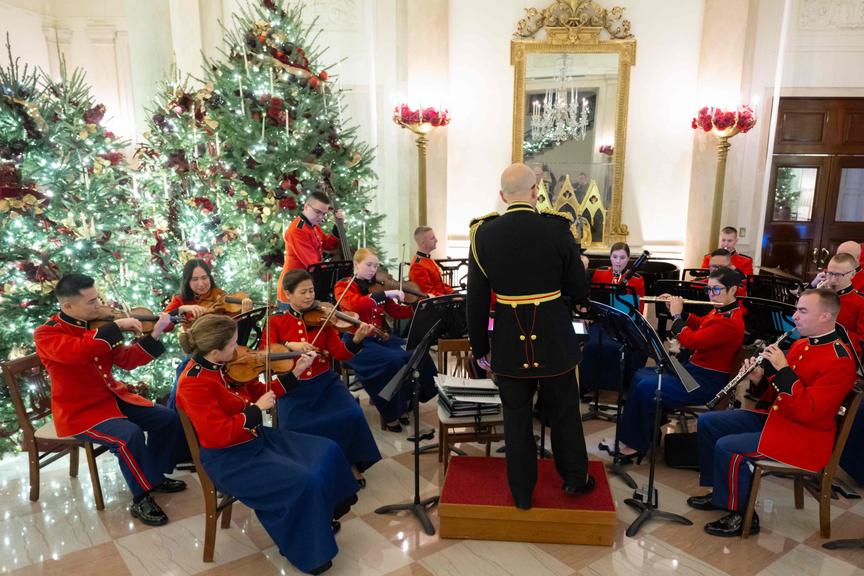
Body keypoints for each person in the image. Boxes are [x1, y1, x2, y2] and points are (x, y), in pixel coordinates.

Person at [176, 314, 357, 574]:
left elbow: (261, 393)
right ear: (215, 351)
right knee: (302, 480)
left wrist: (296, 371)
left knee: (327, 449)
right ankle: (308, 550)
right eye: (233, 344)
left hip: (256, 439)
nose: (239, 349)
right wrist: (255, 411)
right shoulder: (193, 384)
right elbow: (218, 434)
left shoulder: (225, 365)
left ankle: (320, 516)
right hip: (230, 459)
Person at [467, 162, 593, 510]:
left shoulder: (482, 233)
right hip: (555, 338)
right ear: (536, 191)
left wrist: (480, 346)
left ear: (502, 195)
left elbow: (476, 298)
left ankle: (521, 492)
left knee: (516, 419)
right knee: (565, 412)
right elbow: (577, 289)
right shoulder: (557, 227)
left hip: (508, 341)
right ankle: (574, 478)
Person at [688, 289, 857, 537]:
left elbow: (808, 412)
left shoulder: (840, 360)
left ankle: (742, 515)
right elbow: (777, 396)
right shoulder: (801, 344)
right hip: (780, 419)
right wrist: (759, 379)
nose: (794, 316)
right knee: (708, 422)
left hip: (804, 437)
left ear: (825, 316)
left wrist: (783, 369)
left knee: (728, 447)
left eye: (802, 311)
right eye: (797, 309)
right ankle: (721, 494)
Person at [34, 273, 186, 526]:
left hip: (112, 398)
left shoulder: (97, 326)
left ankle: (154, 476)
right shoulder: (47, 334)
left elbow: (126, 360)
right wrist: (116, 327)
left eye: (98, 298)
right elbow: (78, 352)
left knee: (167, 418)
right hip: (79, 412)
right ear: (68, 306)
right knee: (128, 435)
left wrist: (156, 333)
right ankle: (141, 498)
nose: (100, 305)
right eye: (92, 302)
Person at [608, 267, 745, 459]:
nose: (711, 294)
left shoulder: (729, 321)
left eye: (716, 289)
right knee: (640, 375)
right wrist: (677, 310)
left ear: (733, 290)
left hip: (704, 382)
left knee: (647, 387)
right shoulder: (721, 310)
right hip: (693, 372)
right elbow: (700, 324)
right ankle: (643, 433)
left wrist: (677, 316)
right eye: (709, 289)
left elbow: (692, 341)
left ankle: (635, 444)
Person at [261, 269, 382, 485]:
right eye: (303, 292)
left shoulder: (322, 319)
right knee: (296, 426)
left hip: (326, 383)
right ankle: (312, 471)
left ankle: (350, 462)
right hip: (292, 387)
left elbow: (340, 353)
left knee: (351, 414)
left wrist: (356, 339)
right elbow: (265, 354)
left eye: (311, 291)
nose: (309, 296)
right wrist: (289, 345)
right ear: (288, 294)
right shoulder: (276, 321)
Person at [334, 248, 438, 432]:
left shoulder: (377, 287)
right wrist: (386, 294)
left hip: (381, 338)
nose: (373, 270)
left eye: (375, 266)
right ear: (356, 264)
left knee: (418, 351)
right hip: (357, 341)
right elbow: (354, 304)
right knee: (393, 361)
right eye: (368, 265)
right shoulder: (344, 286)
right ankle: (391, 413)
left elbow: (396, 311)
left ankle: (406, 401)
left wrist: (420, 305)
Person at [162, 258, 252, 410]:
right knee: (181, 380)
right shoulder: (181, 300)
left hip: (221, 354)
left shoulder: (220, 297)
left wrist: (245, 315)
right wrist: (182, 310)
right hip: (196, 355)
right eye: (195, 279)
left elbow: (234, 331)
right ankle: (177, 416)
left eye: (204, 278)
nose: (201, 283)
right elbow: (163, 324)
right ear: (187, 281)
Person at [580, 242, 647, 400]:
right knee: (592, 345)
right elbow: (590, 296)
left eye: (622, 258)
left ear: (628, 259)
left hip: (624, 323)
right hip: (602, 321)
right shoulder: (600, 273)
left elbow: (639, 307)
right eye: (615, 257)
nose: (618, 261)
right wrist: (585, 310)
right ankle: (592, 386)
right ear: (610, 257)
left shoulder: (636, 279)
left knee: (626, 348)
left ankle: (624, 388)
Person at [277, 191, 345, 303]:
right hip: (294, 291)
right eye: (317, 212)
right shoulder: (297, 230)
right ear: (306, 207)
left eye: (324, 214)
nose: (321, 217)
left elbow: (327, 245)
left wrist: (337, 227)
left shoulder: (313, 225)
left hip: (305, 287)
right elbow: (313, 265)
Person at [809, 252, 864, 353]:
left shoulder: (860, 302)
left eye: (838, 275)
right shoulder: (822, 294)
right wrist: (815, 296)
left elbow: (861, 342)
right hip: (813, 345)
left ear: (852, 274)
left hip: (841, 352)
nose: (833, 280)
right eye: (830, 273)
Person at [409, 226, 455, 297]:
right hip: (434, 302)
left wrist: (453, 293)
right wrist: (450, 298)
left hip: (441, 298)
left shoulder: (427, 259)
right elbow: (427, 293)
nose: (436, 240)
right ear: (423, 243)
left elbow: (440, 285)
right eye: (432, 238)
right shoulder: (417, 265)